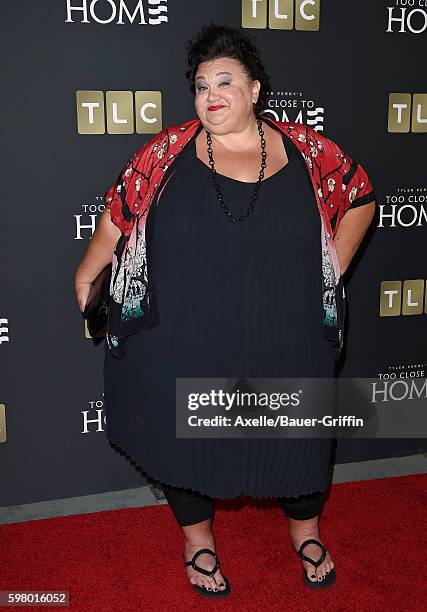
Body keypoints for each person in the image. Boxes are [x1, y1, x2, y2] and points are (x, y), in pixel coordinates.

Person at [74, 23, 376, 599]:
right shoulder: (166, 152)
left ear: (255, 89)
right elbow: (120, 211)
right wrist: (87, 274)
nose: (210, 95)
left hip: (287, 331)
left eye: (225, 82)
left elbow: (360, 194)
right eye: (200, 85)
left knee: (300, 435)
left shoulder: (310, 152)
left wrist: (330, 267)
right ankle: (198, 541)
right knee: (187, 441)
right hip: (187, 333)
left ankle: (306, 532)